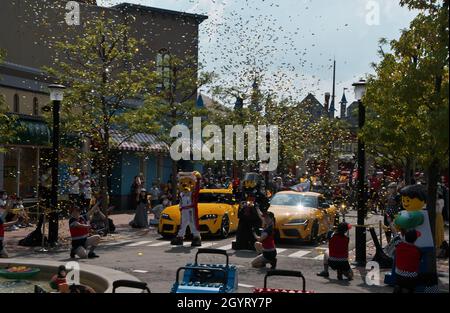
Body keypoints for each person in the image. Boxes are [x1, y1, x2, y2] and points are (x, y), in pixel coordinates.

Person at [171, 172, 202, 247]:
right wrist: (181, 208)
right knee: (183, 224)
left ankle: (196, 237)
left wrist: (198, 179)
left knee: (193, 223)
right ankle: (180, 237)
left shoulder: (193, 193)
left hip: (191, 210)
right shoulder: (181, 194)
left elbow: (197, 188)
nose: (185, 184)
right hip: (184, 210)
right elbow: (181, 202)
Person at [0, 191, 18, 258]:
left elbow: (7, 210)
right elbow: (5, 224)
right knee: (6, 256)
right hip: (0, 242)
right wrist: (15, 222)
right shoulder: (0, 219)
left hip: (1, 241)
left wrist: (12, 201)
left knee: (6, 255)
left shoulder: (1, 218)